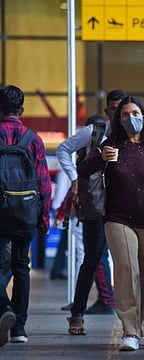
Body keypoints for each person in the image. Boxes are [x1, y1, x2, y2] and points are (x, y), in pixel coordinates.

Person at [77, 96, 144, 351]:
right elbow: (83, 170)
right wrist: (101, 157)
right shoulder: (110, 144)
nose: (130, 118)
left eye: (135, 113)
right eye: (124, 115)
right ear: (118, 120)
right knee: (126, 270)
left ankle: (143, 325)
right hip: (118, 218)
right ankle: (129, 331)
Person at [57, 90, 126, 336]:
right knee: (92, 259)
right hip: (96, 208)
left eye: (123, 109)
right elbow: (64, 149)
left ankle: (137, 321)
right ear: (107, 110)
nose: (118, 114)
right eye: (114, 109)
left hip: (124, 209)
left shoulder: (134, 136)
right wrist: (74, 178)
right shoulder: (93, 133)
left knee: (128, 263)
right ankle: (77, 314)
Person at [0, 85, 52, 345]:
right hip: (25, 213)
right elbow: (44, 184)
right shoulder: (33, 139)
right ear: (21, 109)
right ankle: (19, 328)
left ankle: (4, 308)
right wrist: (43, 220)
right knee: (22, 268)